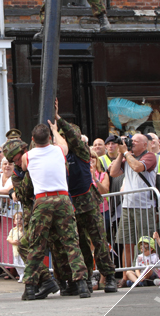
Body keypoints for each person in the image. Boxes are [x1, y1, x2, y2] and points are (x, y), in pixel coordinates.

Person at [20, 122, 89, 300]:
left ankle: (29, 287)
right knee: (71, 243)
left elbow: (23, 169)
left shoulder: (27, 156)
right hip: (63, 199)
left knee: (36, 245)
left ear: (33, 140)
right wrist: (54, 128)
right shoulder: (59, 150)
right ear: (50, 138)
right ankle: (81, 284)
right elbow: (64, 144)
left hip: (42, 200)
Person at [55, 103, 117, 293]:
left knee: (99, 240)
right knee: (80, 244)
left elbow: (73, 136)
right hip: (71, 203)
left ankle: (110, 276)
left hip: (88, 202)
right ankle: (87, 278)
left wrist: (58, 120)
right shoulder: (59, 154)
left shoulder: (82, 150)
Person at [109, 133, 157, 287]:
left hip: (144, 206)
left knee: (145, 243)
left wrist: (126, 153)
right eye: (132, 141)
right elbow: (113, 173)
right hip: (127, 206)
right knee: (127, 243)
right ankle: (126, 275)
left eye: (136, 141)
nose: (132, 143)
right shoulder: (127, 156)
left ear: (145, 144)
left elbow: (137, 167)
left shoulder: (150, 156)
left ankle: (145, 275)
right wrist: (120, 154)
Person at [6, 212, 25, 282]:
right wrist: (13, 242)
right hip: (15, 251)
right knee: (17, 264)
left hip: (23, 251)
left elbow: (26, 237)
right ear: (14, 221)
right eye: (17, 219)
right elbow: (9, 238)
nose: (19, 220)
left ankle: (25, 274)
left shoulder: (24, 229)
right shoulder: (13, 230)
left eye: (21, 219)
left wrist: (22, 231)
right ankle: (21, 274)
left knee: (23, 263)